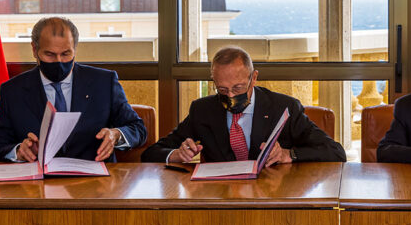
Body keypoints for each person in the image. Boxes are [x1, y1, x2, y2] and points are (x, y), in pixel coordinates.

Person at [141, 46, 346, 164]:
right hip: (220, 200)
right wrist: (176, 154)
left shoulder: (283, 107)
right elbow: (150, 154)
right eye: (222, 90)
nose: (230, 96)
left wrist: (287, 154)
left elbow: (336, 152)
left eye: (238, 88)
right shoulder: (202, 111)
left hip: (271, 198)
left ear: (253, 78)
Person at [0, 17, 147, 162]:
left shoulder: (104, 82)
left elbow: (138, 129)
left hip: (94, 186)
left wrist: (116, 135)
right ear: (34, 49)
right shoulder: (13, 90)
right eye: (49, 54)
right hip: (35, 187)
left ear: (75, 49)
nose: (58, 61)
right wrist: (18, 152)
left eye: (66, 54)